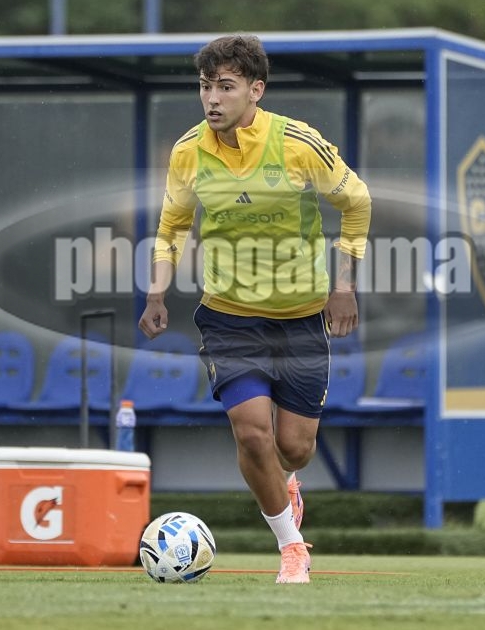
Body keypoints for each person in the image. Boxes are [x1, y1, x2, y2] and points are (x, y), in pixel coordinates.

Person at [139, 34, 371, 584]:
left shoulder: (298, 144)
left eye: (225, 87)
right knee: (251, 434)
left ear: (255, 90)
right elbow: (172, 226)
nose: (212, 98)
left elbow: (357, 200)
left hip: (302, 317)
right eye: (205, 87)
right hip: (228, 316)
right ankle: (292, 548)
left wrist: (344, 285)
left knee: (295, 447)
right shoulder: (188, 151)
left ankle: (287, 483)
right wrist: (155, 292)